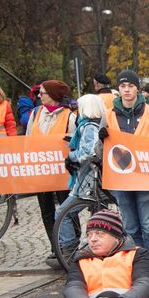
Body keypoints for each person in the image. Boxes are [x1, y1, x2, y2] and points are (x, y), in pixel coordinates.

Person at [99, 69, 149, 275]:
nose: (127, 90)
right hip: (121, 180)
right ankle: (138, 268)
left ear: (137, 88)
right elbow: (100, 151)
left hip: (146, 178)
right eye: (123, 86)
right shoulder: (109, 114)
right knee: (130, 227)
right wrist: (101, 139)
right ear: (119, 89)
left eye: (130, 86)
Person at [27, 79, 77, 264]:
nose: (39, 96)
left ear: (54, 95)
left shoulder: (68, 116)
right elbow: (28, 139)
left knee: (66, 209)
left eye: (43, 93)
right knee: (46, 211)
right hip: (41, 171)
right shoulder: (35, 114)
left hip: (62, 173)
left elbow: (74, 142)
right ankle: (55, 247)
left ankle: (72, 244)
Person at [53, 94, 106, 259]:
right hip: (92, 177)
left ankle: (68, 249)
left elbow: (89, 152)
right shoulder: (95, 124)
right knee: (98, 214)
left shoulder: (88, 126)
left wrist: (72, 156)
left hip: (88, 179)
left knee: (63, 212)